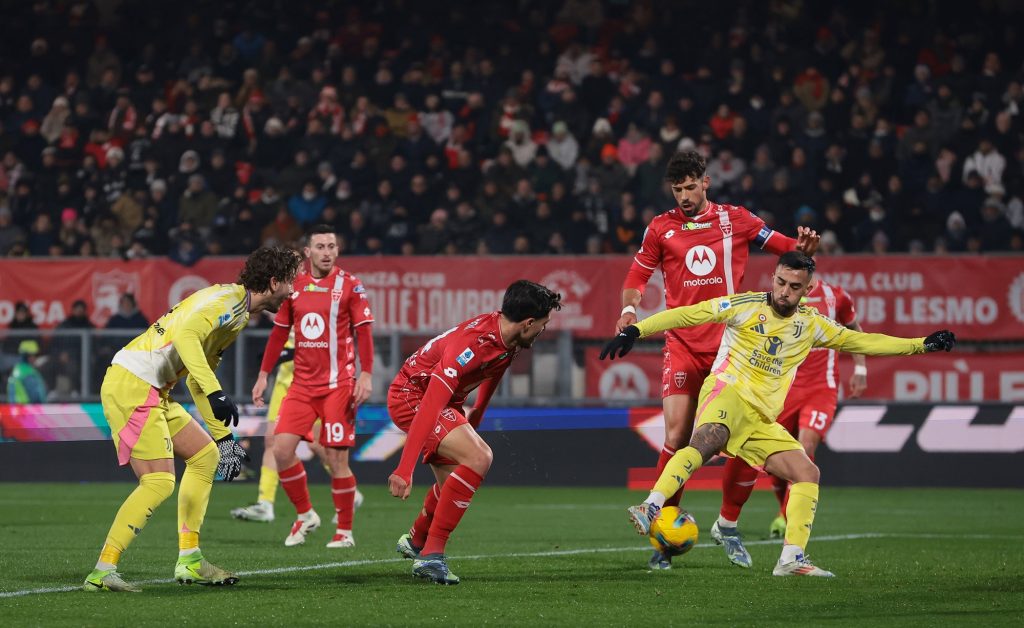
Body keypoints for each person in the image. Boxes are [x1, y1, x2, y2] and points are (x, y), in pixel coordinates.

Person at [602, 251, 956, 577]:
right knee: (708, 439)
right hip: (727, 390)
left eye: (795, 286)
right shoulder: (745, 305)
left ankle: (791, 558)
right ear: (773, 278)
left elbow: (863, 341)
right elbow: (689, 314)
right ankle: (651, 506)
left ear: (808, 288)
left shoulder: (812, 325)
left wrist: (921, 344)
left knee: (807, 472)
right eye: (781, 282)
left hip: (759, 418)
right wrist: (637, 328)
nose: (785, 292)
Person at [614, 149, 820, 570]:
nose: (685, 195)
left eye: (691, 186)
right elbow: (638, 275)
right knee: (676, 436)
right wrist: (630, 309)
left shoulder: (736, 219)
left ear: (706, 182)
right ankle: (662, 539)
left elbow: (783, 247)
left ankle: (727, 522)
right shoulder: (661, 228)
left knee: (745, 439)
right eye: (678, 189)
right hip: (683, 346)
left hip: (734, 347)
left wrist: (803, 247)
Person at [83, 246, 301, 593]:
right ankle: (102, 571)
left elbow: (198, 377)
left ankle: (190, 561)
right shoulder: (226, 303)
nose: (293, 289)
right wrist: (217, 393)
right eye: (290, 281)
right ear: (274, 282)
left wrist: (224, 437)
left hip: (154, 389)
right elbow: (185, 338)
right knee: (158, 482)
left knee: (205, 456)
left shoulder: (239, 312)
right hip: (133, 383)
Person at [387, 280, 562, 585]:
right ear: (528, 323)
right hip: (411, 396)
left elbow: (496, 369)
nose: (542, 332)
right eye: (542, 326)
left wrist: (479, 408)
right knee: (479, 457)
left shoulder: (506, 337)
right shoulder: (470, 344)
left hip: (444, 401)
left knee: (453, 480)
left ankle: (417, 540)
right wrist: (404, 468)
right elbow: (429, 404)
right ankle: (430, 557)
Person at [711, 276, 867, 568]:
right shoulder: (774, 298)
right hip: (783, 387)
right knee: (755, 453)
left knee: (806, 446)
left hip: (822, 388)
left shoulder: (837, 297)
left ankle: (787, 523)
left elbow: (854, 330)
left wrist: (860, 367)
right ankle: (730, 518)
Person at [251, 225, 374, 549]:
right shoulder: (294, 288)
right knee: (280, 449)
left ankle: (344, 532)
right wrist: (264, 374)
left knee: (336, 460)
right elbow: (279, 333)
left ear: (337, 250)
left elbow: (364, 331)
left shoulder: (351, 286)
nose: (326, 251)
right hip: (302, 386)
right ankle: (306, 514)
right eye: (320, 246)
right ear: (308, 252)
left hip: (338, 386)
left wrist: (366, 374)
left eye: (331, 246)